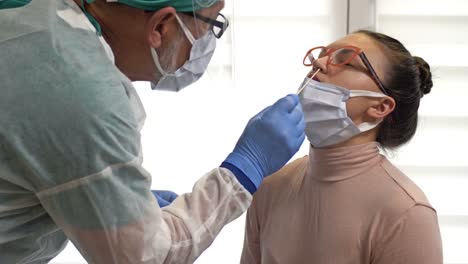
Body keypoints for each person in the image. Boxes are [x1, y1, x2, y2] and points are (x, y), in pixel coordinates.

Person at [0, 0, 306, 263]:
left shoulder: (36, 17)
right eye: (210, 24)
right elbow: (146, 257)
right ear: (161, 26)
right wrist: (242, 171)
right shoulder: (81, 94)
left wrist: (112, 195)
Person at [240, 30, 443, 264]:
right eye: (324, 54)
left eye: (344, 58)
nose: (318, 62)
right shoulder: (270, 186)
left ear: (380, 106)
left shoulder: (406, 213)